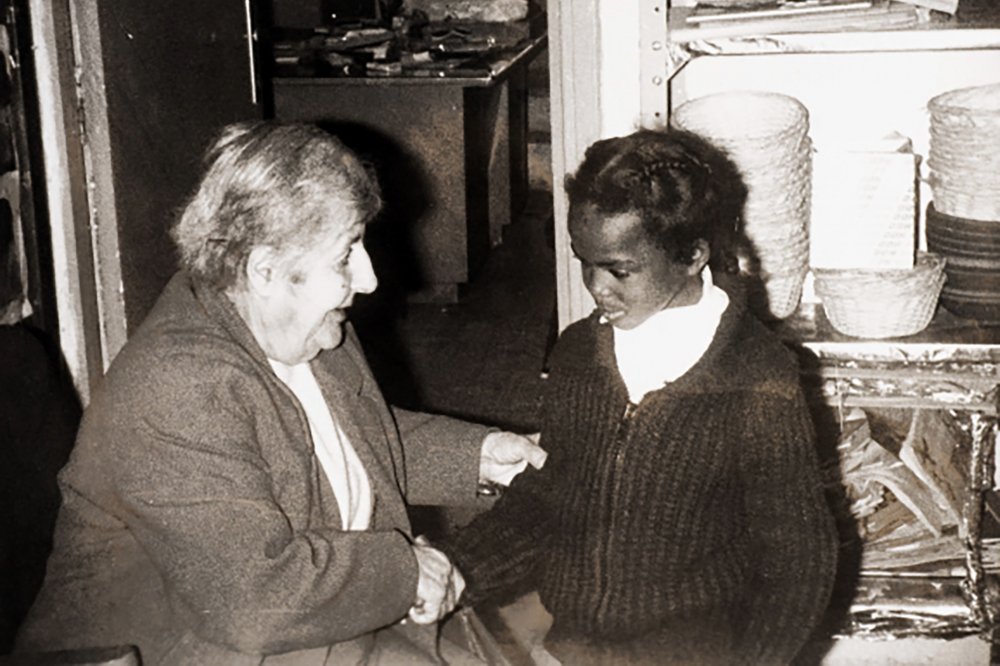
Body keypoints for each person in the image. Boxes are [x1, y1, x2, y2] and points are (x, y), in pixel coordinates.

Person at [15, 121, 545, 665]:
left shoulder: (305, 324)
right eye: (345, 254)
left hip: (311, 621)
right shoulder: (178, 385)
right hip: (189, 648)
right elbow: (253, 601)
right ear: (264, 268)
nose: (368, 279)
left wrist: (483, 456)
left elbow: (348, 440)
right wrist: (406, 571)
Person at [441, 128, 838, 665]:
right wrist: (457, 570)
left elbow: (800, 560)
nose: (596, 287)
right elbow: (545, 502)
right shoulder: (579, 355)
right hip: (574, 645)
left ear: (693, 254)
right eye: (585, 260)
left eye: (619, 269)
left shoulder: (758, 379)